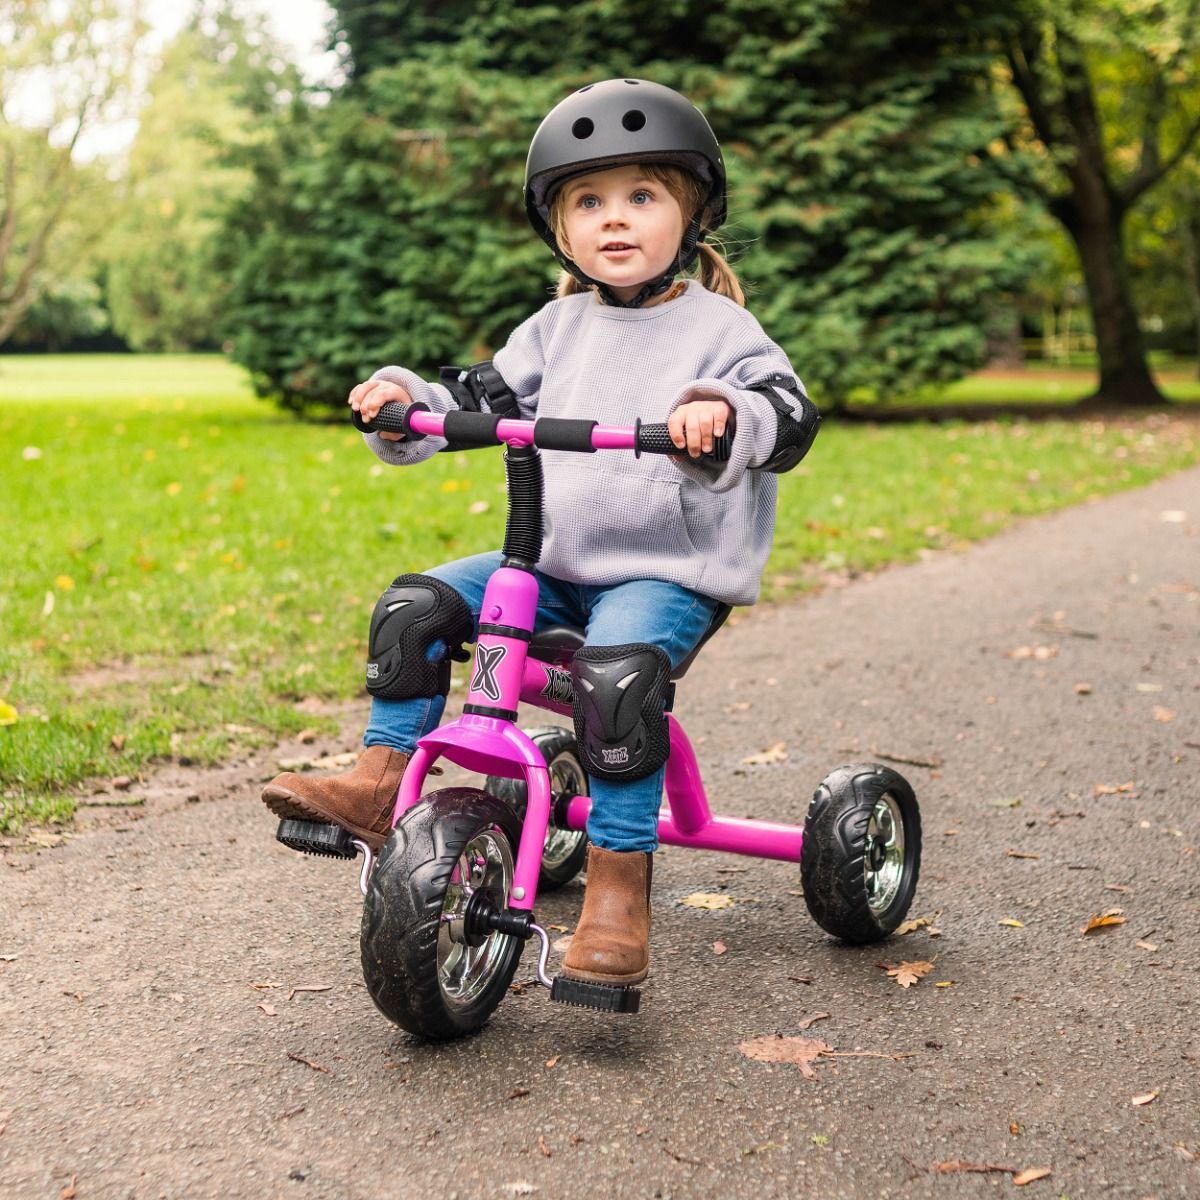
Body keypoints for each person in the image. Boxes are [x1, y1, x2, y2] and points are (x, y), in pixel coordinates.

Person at [263, 78, 819, 994]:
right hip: (554, 566)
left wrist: (723, 414)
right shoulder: (557, 328)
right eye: (589, 202)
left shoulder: (723, 330)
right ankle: (376, 783)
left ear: (690, 211)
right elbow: (478, 400)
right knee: (417, 608)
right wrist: (405, 406)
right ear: (561, 230)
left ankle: (616, 887)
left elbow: (786, 413)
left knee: (617, 681)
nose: (615, 220)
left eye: (642, 196)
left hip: (667, 572)